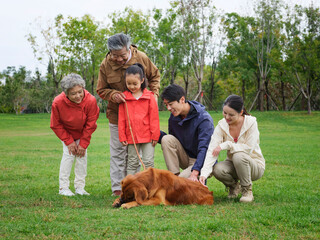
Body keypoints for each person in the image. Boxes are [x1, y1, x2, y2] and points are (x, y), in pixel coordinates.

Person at [96, 33, 160, 196]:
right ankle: (119, 188)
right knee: (118, 152)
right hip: (118, 116)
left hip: (142, 118)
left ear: (129, 49)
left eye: (122, 56)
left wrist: (153, 97)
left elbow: (155, 77)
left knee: (136, 154)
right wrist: (113, 95)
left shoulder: (142, 58)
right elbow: (101, 90)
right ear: (110, 52)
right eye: (114, 56)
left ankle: (137, 185)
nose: (118, 59)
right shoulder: (105, 65)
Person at [199, 95, 265, 203]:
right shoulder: (221, 125)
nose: (227, 117)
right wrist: (204, 174)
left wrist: (226, 145)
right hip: (234, 165)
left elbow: (248, 148)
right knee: (217, 169)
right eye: (225, 113)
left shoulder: (251, 123)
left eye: (231, 115)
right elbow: (212, 150)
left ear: (241, 113)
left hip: (254, 166)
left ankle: (247, 191)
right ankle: (234, 187)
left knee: (238, 155)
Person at [50, 73, 100, 196]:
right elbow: (55, 124)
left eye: (80, 92)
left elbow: (91, 124)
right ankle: (63, 188)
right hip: (67, 133)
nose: (78, 96)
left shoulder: (91, 100)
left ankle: (80, 187)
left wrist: (83, 144)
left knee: (82, 158)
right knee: (68, 156)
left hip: (83, 133)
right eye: (73, 93)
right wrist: (69, 141)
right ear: (66, 93)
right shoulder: (58, 102)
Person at [159, 84, 214, 181]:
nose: (168, 108)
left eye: (170, 104)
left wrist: (195, 172)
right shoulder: (174, 117)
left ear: (182, 100)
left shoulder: (204, 119)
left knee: (181, 182)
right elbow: (172, 141)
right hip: (186, 157)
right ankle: (174, 177)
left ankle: (196, 179)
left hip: (202, 160)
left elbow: (205, 149)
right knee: (167, 139)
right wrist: (152, 132)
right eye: (166, 105)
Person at [118, 63, 160, 175]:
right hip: (131, 137)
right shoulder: (124, 98)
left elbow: (154, 118)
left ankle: (151, 187)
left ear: (142, 81)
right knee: (132, 162)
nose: (131, 86)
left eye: (134, 83)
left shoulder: (150, 97)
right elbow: (121, 119)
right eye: (128, 83)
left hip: (148, 137)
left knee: (148, 162)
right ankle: (130, 188)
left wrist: (155, 135)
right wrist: (122, 136)